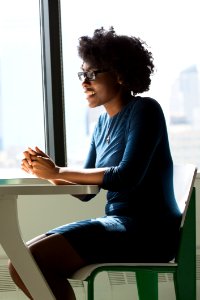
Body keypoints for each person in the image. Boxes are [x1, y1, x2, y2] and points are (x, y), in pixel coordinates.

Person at [8, 27, 182, 300]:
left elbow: (126, 176)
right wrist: (47, 172)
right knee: (21, 263)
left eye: (92, 74)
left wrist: (58, 171)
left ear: (120, 74)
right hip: (119, 223)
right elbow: (84, 194)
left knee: (30, 262)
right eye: (82, 75)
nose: (84, 82)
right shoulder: (101, 125)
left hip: (150, 231)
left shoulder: (145, 110)